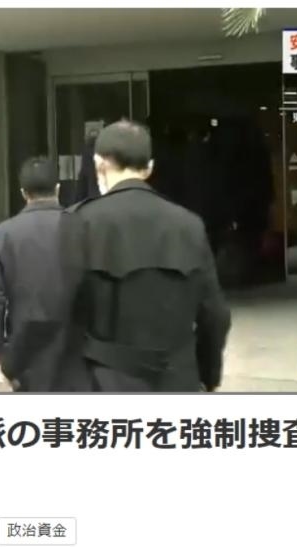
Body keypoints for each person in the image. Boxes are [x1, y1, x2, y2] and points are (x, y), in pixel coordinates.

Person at [63, 121, 231, 392]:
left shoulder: (79, 222)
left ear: (98, 165)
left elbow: (59, 311)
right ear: (149, 168)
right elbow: (215, 315)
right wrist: (208, 375)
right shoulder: (189, 225)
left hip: (103, 383)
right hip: (177, 381)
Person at [0, 157, 84, 392]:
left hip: (23, 349)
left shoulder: (2, 234)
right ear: (58, 189)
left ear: (23, 193)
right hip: (74, 347)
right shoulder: (81, 226)